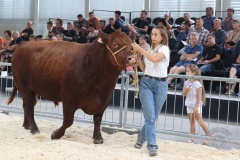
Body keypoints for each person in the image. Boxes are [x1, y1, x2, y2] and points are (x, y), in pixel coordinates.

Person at [131, 26, 170, 157]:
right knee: (150, 116)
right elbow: (145, 68)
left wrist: (139, 49)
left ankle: (141, 138)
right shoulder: (150, 49)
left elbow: (154, 59)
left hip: (161, 85)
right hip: (146, 83)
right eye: (152, 34)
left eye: (156, 34)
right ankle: (152, 146)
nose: (153, 37)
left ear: (162, 36)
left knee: (152, 117)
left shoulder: (164, 49)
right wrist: (138, 60)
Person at [182, 64, 209, 144]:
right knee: (192, 121)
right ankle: (192, 138)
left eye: (188, 71)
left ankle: (208, 136)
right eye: (186, 71)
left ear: (194, 72)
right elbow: (183, 94)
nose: (186, 73)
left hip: (196, 104)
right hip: (189, 104)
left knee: (200, 121)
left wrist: (197, 106)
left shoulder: (197, 84)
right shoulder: (186, 82)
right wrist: (186, 90)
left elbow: (199, 97)